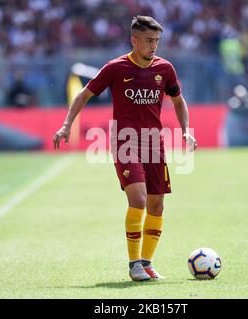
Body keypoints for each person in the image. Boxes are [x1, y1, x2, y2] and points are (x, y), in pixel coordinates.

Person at [53, 15, 197, 282]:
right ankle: (134, 265)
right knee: (139, 200)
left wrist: (186, 129)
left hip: (155, 143)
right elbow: (84, 94)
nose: (154, 46)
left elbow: (178, 101)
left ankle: (147, 262)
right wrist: (66, 125)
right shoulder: (116, 68)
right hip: (125, 141)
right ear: (134, 40)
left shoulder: (165, 69)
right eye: (149, 40)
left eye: (156, 40)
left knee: (157, 205)